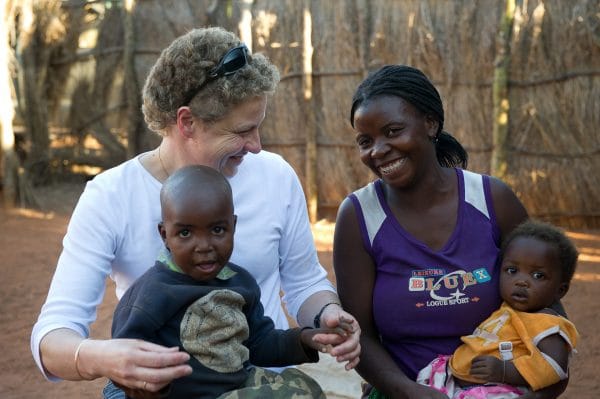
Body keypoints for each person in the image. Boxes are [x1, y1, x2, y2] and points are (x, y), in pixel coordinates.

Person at [31, 26, 360, 397]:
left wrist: (327, 313)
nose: (256, 145)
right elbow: (53, 336)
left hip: (259, 380)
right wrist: (104, 357)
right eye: (242, 131)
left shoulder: (275, 176)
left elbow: (303, 283)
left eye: (258, 128)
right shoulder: (111, 195)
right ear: (187, 122)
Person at [333, 64, 567, 399]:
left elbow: (550, 309)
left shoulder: (491, 201)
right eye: (365, 141)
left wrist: (539, 391)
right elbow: (361, 336)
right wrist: (407, 390)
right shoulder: (359, 216)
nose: (378, 150)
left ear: (430, 123)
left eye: (393, 131)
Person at [112, 165, 351, 398]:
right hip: (184, 393)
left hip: (240, 384)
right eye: (185, 233)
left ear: (233, 227)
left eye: (217, 230)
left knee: (304, 387)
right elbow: (121, 356)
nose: (204, 246)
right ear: (165, 235)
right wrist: (147, 387)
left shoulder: (240, 283)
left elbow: (259, 343)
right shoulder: (152, 294)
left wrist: (303, 340)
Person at [416, 220, 579, 398]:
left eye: (538, 275)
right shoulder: (504, 310)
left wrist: (505, 371)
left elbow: (555, 368)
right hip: (459, 383)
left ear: (560, 290)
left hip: (501, 390)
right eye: (511, 270)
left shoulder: (547, 323)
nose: (521, 281)